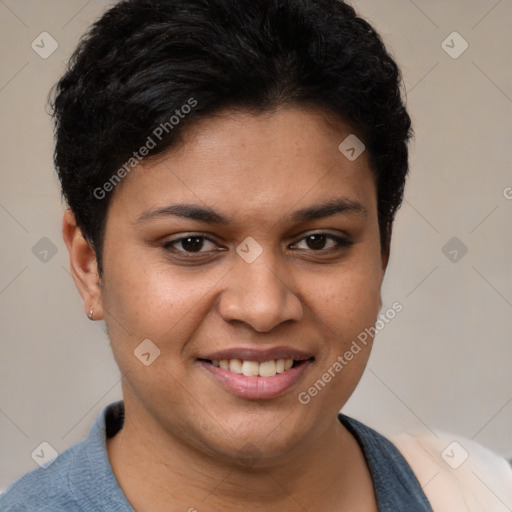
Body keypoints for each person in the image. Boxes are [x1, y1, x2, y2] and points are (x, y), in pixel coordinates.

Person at [1, 0, 511, 510]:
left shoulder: (479, 493)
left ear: (381, 256)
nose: (264, 307)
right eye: (192, 244)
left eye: (318, 241)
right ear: (90, 266)